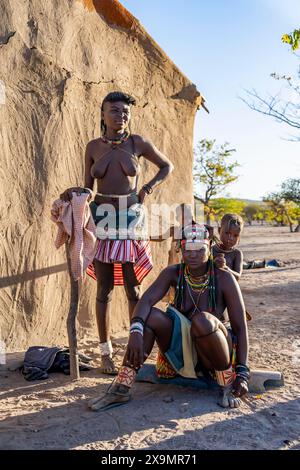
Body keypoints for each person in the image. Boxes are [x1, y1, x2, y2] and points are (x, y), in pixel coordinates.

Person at [60, 91, 174, 374]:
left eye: (125, 111)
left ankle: (136, 347)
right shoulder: (93, 147)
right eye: (114, 110)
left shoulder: (138, 143)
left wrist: (147, 188)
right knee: (104, 289)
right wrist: (72, 194)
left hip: (129, 219)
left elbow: (166, 166)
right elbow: (88, 187)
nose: (120, 115)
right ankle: (105, 353)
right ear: (102, 114)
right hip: (101, 219)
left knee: (133, 288)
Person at [88, 223, 250, 411]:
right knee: (148, 317)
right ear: (181, 249)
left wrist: (243, 373)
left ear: (209, 249)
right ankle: (121, 387)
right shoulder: (173, 273)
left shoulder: (223, 278)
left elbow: (240, 328)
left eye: (200, 249)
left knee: (202, 320)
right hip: (180, 353)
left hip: (214, 353)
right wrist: (135, 331)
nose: (193, 254)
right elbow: (146, 301)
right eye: (188, 249)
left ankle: (226, 386)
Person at [213, 213, 244, 281]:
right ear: (219, 230)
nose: (231, 238)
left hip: (229, 289)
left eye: (235, 235)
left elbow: (238, 277)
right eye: (227, 233)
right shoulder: (210, 250)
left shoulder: (236, 254)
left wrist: (225, 268)